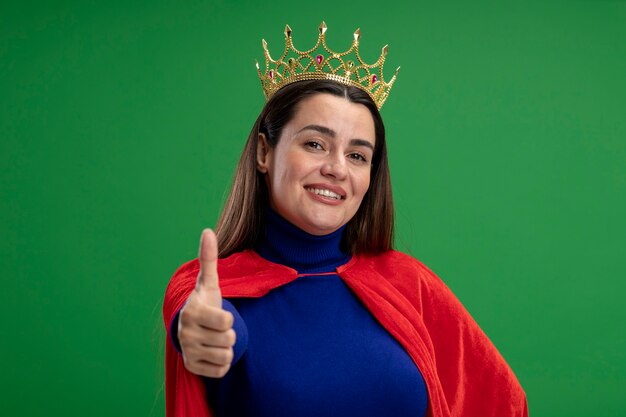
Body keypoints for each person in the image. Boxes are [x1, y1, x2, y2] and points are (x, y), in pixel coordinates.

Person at [163, 23, 527, 417]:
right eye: (315, 144)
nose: (336, 169)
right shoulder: (209, 291)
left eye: (357, 155)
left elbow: (503, 400)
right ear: (264, 152)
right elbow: (205, 323)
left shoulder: (410, 286)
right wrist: (202, 333)